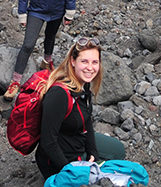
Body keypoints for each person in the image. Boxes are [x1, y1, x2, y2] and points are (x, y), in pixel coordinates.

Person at [34, 37, 126, 179]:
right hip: (59, 158)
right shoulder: (59, 95)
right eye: (84, 61)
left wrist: (93, 153)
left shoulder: (83, 84)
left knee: (118, 150)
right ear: (72, 61)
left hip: (76, 140)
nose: (90, 68)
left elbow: (87, 119)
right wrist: (71, 171)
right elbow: (48, 142)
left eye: (95, 62)